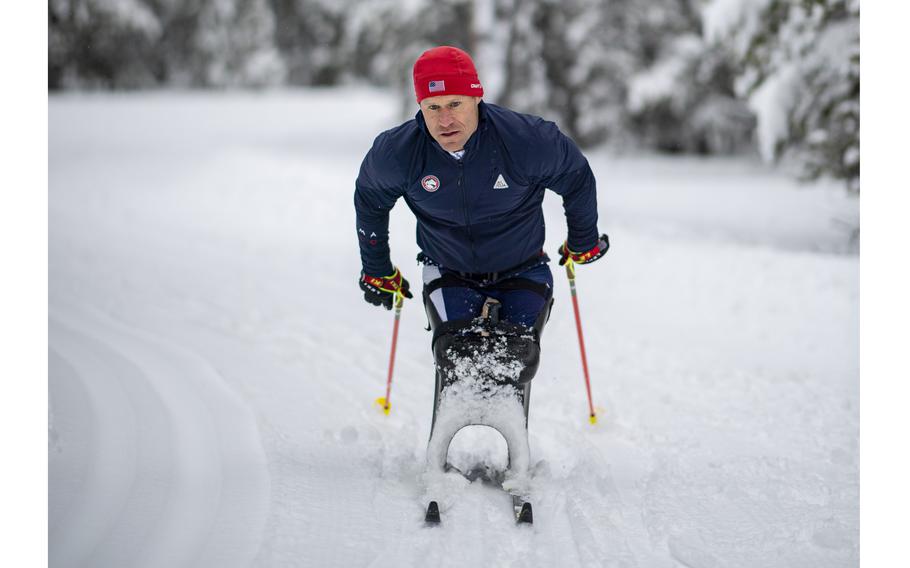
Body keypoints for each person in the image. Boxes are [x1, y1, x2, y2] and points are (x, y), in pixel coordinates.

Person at [355, 45, 608, 343]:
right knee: (454, 351)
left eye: (455, 104)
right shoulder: (397, 153)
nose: (445, 120)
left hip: (524, 269)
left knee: (518, 355)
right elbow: (371, 198)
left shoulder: (526, 140)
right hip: (447, 271)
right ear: (420, 106)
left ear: (476, 97)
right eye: (433, 107)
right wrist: (377, 269)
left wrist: (583, 240)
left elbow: (575, 176)